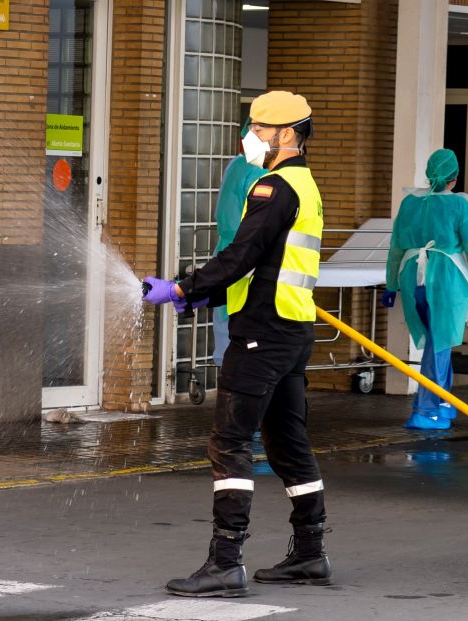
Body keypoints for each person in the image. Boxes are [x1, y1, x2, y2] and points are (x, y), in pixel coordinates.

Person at [143, 90, 330, 597]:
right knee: (288, 443)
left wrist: (184, 288)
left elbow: (244, 251)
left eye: (259, 128)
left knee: (228, 442)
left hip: (262, 337)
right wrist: (204, 297)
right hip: (291, 331)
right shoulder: (305, 184)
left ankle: (225, 562)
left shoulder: (273, 188)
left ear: (286, 133)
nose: (251, 136)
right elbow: (268, 265)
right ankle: (310, 554)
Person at [381, 148, 468, 431]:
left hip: (412, 276)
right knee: (439, 344)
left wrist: (391, 285)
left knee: (439, 341)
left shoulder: (409, 203)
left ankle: (443, 402)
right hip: (447, 278)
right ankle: (426, 410)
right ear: (455, 178)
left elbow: (395, 250)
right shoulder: (460, 206)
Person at [212, 119, 267, 366]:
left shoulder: (235, 166)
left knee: (226, 332)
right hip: (247, 259)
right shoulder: (259, 173)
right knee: (244, 342)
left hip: (227, 254)